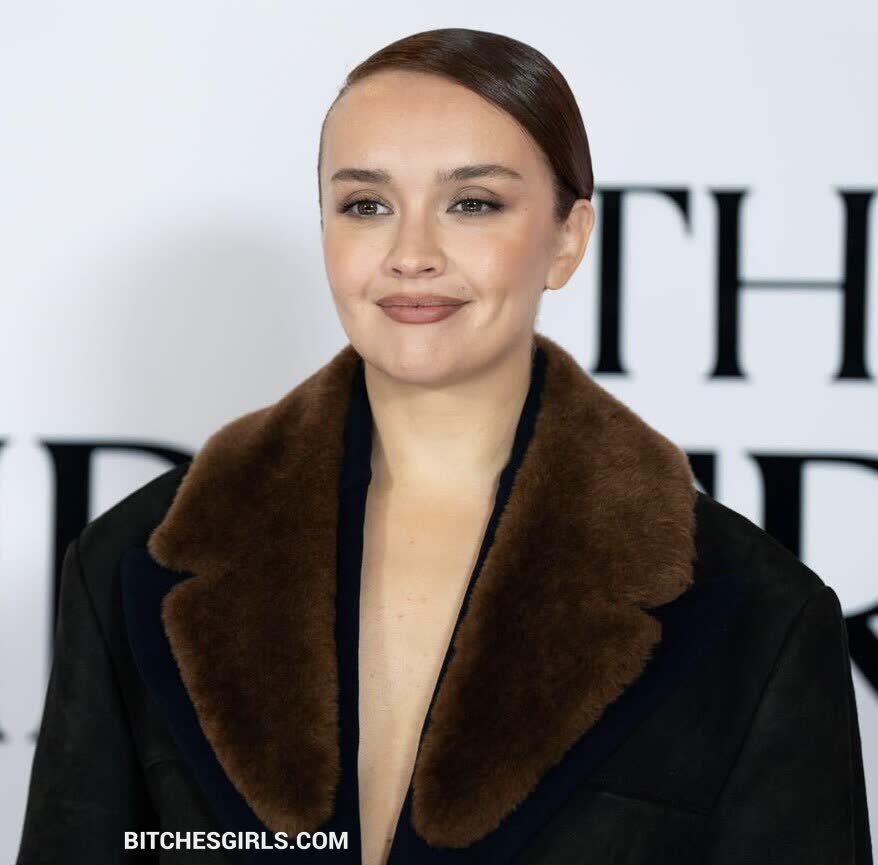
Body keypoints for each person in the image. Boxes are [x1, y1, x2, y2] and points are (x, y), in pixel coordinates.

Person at [16, 26, 872, 865]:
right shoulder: (129, 562)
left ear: (568, 238)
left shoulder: (759, 615)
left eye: (473, 203)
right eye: (367, 205)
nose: (411, 254)